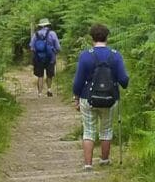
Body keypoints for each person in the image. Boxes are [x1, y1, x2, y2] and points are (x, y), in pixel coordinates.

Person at [72, 24, 129, 170]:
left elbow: (78, 81)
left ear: (92, 38)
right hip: (110, 98)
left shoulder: (85, 55)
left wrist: (76, 98)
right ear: (107, 37)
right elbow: (124, 80)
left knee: (89, 130)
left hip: (87, 97)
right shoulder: (115, 55)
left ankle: (88, 164)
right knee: (106, 129)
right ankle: (104, 160)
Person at [30, 18, 61, 97]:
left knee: (40, 76)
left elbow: (31, 47)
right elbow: (57, 47)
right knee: (49, 75)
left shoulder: (36, 34)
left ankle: (40, 93)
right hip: (50, 57)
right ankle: (49, 90)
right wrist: (55, 52)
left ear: (40, 26)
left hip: (38, 58)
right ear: (48, 25)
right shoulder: (52, 33)